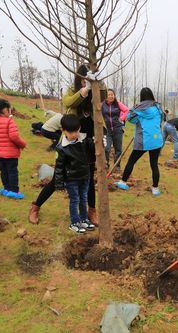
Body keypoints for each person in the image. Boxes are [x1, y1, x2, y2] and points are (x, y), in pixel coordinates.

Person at [29, 64, 104, 225]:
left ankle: (92, 211)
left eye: (88, 80)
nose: (86, 83)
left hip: (89, 143)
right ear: (79, 79)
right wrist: (84, 90)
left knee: (89, 179)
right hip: (71, 142)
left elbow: (103, 97)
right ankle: (35, 207)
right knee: (58, 177)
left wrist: (99, 83)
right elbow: (69, 102)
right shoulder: (73, 90)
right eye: (84, 80)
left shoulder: (96, 90)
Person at [114, 87, 164, 196]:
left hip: (143, 140)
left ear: (141, 96)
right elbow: (161, 119)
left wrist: (138, 120)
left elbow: (129, 117)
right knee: (154, 164)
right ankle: (155, 189)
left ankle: (123, 182)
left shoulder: (139, 107)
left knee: (131, 160)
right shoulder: (158, 106)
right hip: (156, 139)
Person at [54, 115, 96, 233]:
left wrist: (99, 142)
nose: (74, 135)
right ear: (63, 131)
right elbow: (59, 167)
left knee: (83, 198)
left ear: (80, 128)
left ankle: (84, 219)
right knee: (75, 200)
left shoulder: (83, 140)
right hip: (71, 179)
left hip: (85, 176)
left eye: (76, 131)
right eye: (71, 132)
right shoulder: (62, 148)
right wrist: (59, 184)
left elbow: (93, 147)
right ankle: (74, 222)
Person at [0, 99, 27, 199]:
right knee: (12, 171)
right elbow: (14, 136)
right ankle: (14, 191)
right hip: (11, 154)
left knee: (3, 171)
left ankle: (6, 189)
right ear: (5, 110)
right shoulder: (10, 121)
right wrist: (22, 144)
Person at [101, 88, 129, 169]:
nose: (110, 96)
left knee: (118, 150)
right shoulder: (103, 105)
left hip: (118, 130)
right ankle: (106, 165)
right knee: (106, 148)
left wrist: (121, 119)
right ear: (106, 96)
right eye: (108, 95)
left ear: (114, 96)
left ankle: (117, 166)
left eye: (112, 95)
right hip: (108, 131)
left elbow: (127, 110)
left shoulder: (118, 104)